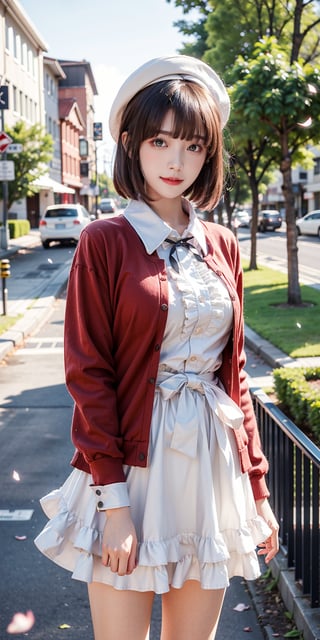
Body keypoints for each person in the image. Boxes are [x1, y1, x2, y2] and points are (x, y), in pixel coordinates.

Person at [35, 55, 279, 640]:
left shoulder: (221, 244)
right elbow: (90, 378)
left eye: (193, 146)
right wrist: (115, 505)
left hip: (212, 472)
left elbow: (234, 378)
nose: (176, 161)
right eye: (161, 140)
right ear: (131, 143)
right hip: (132, 473)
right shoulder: (104, 242)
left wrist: (258, 490)